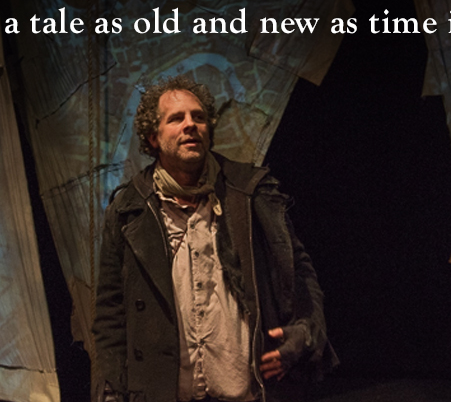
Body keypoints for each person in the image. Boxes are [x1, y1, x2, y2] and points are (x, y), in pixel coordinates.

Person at [93, 75, 337, 402]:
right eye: (176, 118)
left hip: (246, 391)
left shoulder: (248, 191)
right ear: (153, 137)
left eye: (199, 117)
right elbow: (110, 313)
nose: (190, 125)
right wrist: (111, 391)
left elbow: (299, 271)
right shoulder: (129, 209)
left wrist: (306, 332)